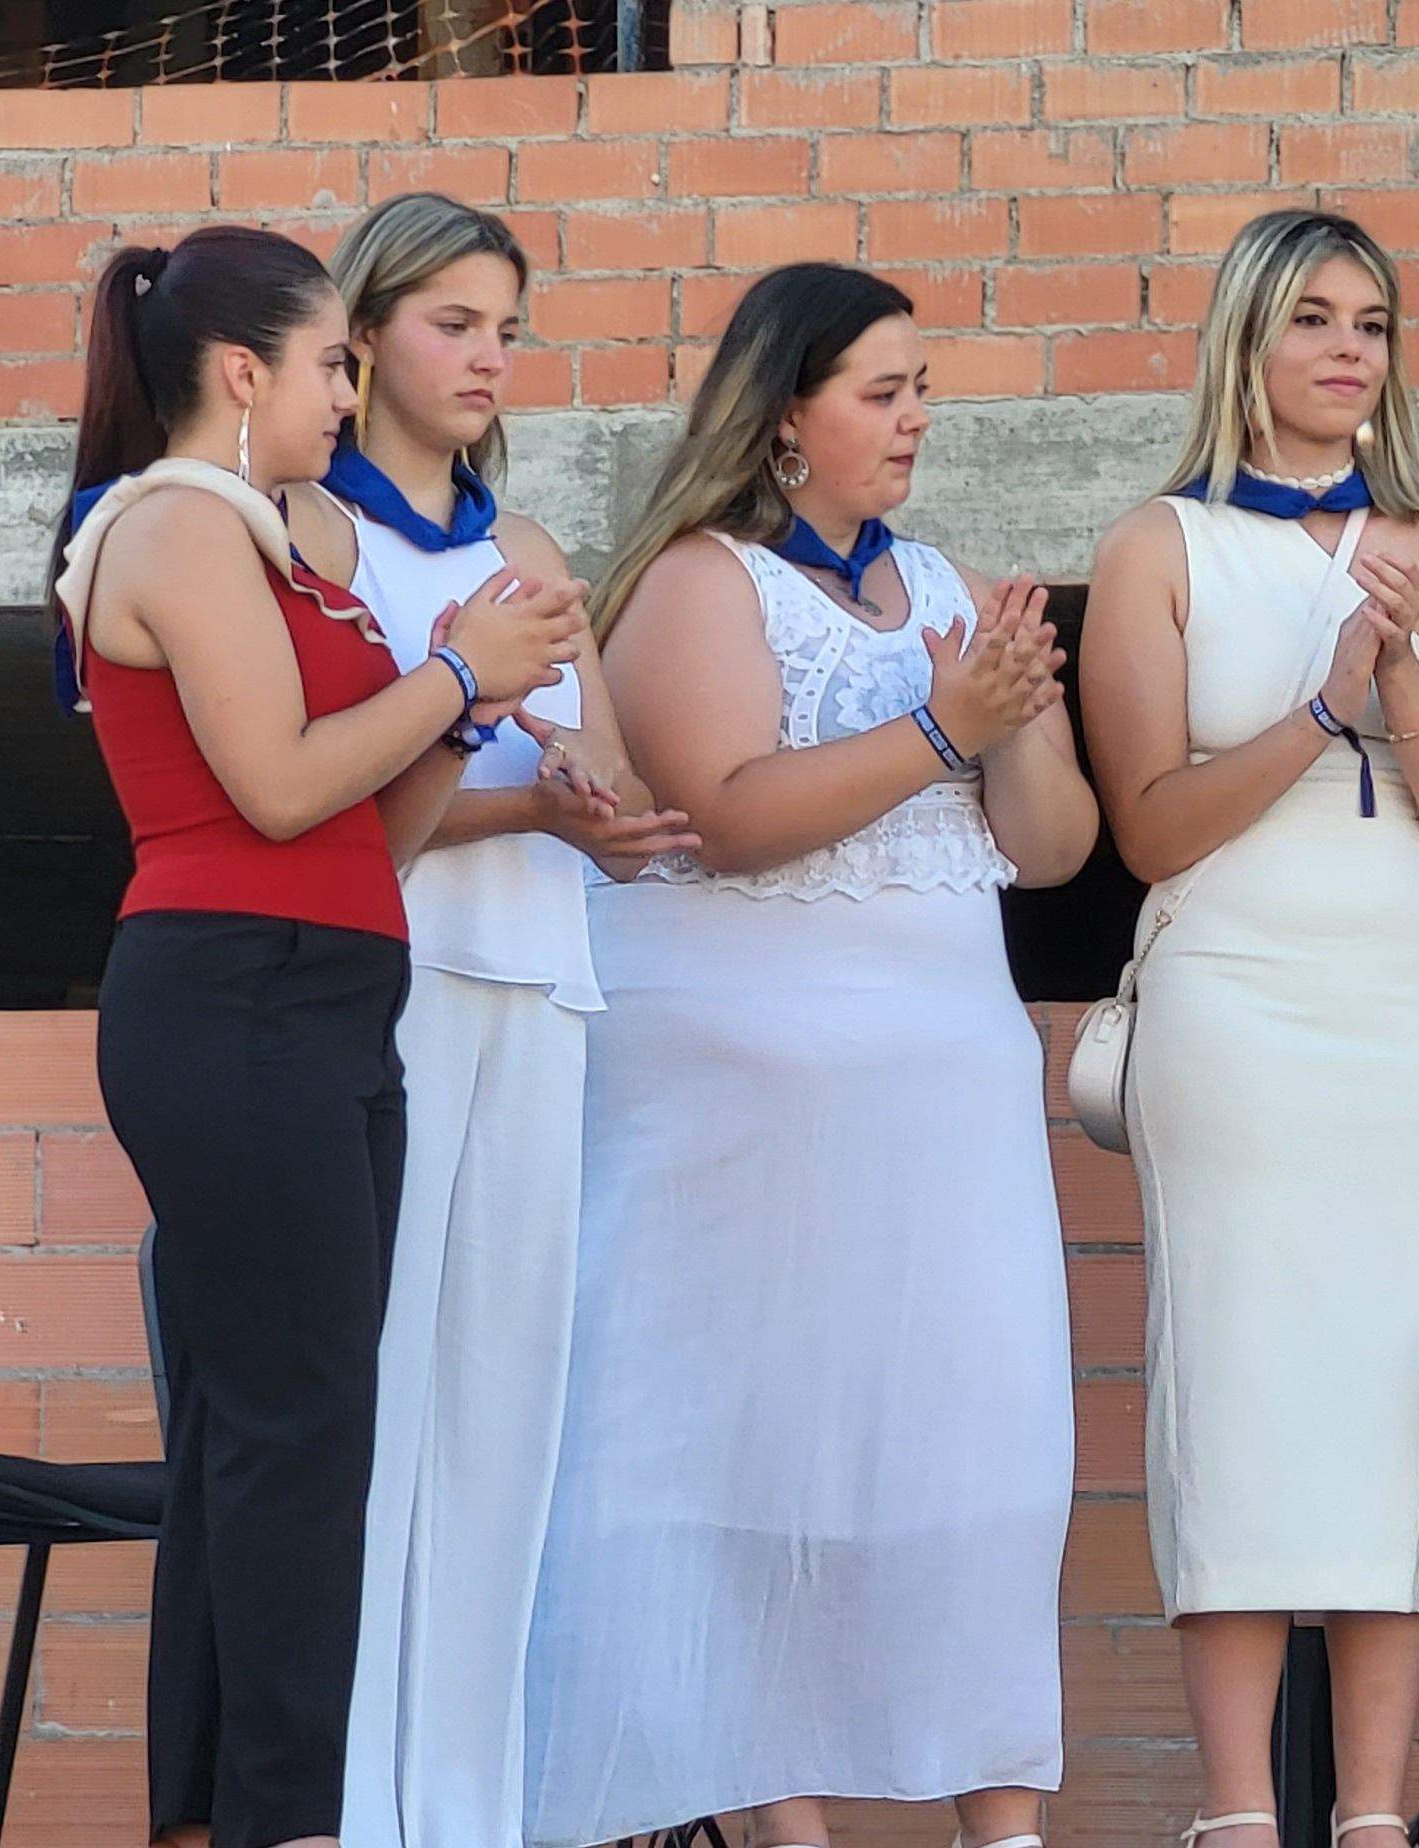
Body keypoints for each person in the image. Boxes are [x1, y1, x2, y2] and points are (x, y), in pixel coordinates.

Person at [522, 262, 1095, 1848]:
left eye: (922, 389)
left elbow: (1050, 853)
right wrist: (940, 732)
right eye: (881, 391)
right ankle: (785, 1824)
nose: (916, 418)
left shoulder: (953, 588)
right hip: (741, 1124)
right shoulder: (701, 581)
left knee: (977, 1456)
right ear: (785, 419)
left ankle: (1005, 1822)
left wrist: (1019, 713)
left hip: (945, 1117)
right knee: (753, 1450)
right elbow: (726, 814)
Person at [53, 223, 581, 1848]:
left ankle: (222, 1814)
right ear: (241, 374)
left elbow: (377, 819)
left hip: (335, 987)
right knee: (302, 1434)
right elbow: (276, 785)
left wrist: (485, 704)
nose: (349, 395)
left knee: (265, 1420)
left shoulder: (288, 551)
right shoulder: (171, 526)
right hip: (231, 989)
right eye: (335, 363)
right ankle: (293, 1817)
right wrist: (450, 667)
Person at [1079, 208, 1419, 1848]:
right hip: (1241, 1000)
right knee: (1244, 1378)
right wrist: (1320, 702)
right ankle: (1239, 1811)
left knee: (1404, 1385)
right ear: (1247, 344)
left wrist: (1401, 675)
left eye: (1377, 323)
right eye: (1314, 319)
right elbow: (1152, 825)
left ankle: (1377, 1815)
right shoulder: (1157, 548)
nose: (1350, 350)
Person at [313, 190, 697, 1848]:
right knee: (381, 1408)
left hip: (537, 983)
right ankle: (358, 1805)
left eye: (505, 329)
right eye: (452, 322)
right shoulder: (310, 532)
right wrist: (512, 774)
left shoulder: (526, 550)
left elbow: (591, 769)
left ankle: (465, 1812)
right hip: (384, 985)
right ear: (370, 328)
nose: (485, 357)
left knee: (503, 1416)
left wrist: (592, 813)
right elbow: (323, 798)